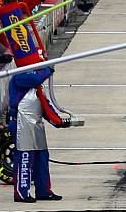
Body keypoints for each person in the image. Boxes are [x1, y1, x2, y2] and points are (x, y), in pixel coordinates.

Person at [7, 66, 82, 203]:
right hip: (21, 124)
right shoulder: (20, 76)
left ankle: (43, 191)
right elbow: (35, 78)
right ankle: (21, 192)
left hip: (36, 124)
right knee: (25, 158)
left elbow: (44, 105)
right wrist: (48, 70)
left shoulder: (37, 87)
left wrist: (57, 121)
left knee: (42, 158)